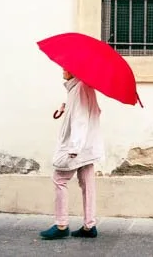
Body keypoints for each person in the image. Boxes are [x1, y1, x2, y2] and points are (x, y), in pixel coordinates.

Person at [39, 68, 105, 240]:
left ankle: (61, 225)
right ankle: (89, 225)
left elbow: (81, 118)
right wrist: (66, 108)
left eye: (65, 67)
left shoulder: (79, 89)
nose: (62, 70)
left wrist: (74, 148)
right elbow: (90, 111)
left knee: (59, 178)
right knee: (87, 183)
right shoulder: (82, 87)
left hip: (78, 147)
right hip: (88, 145)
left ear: (74, 70)